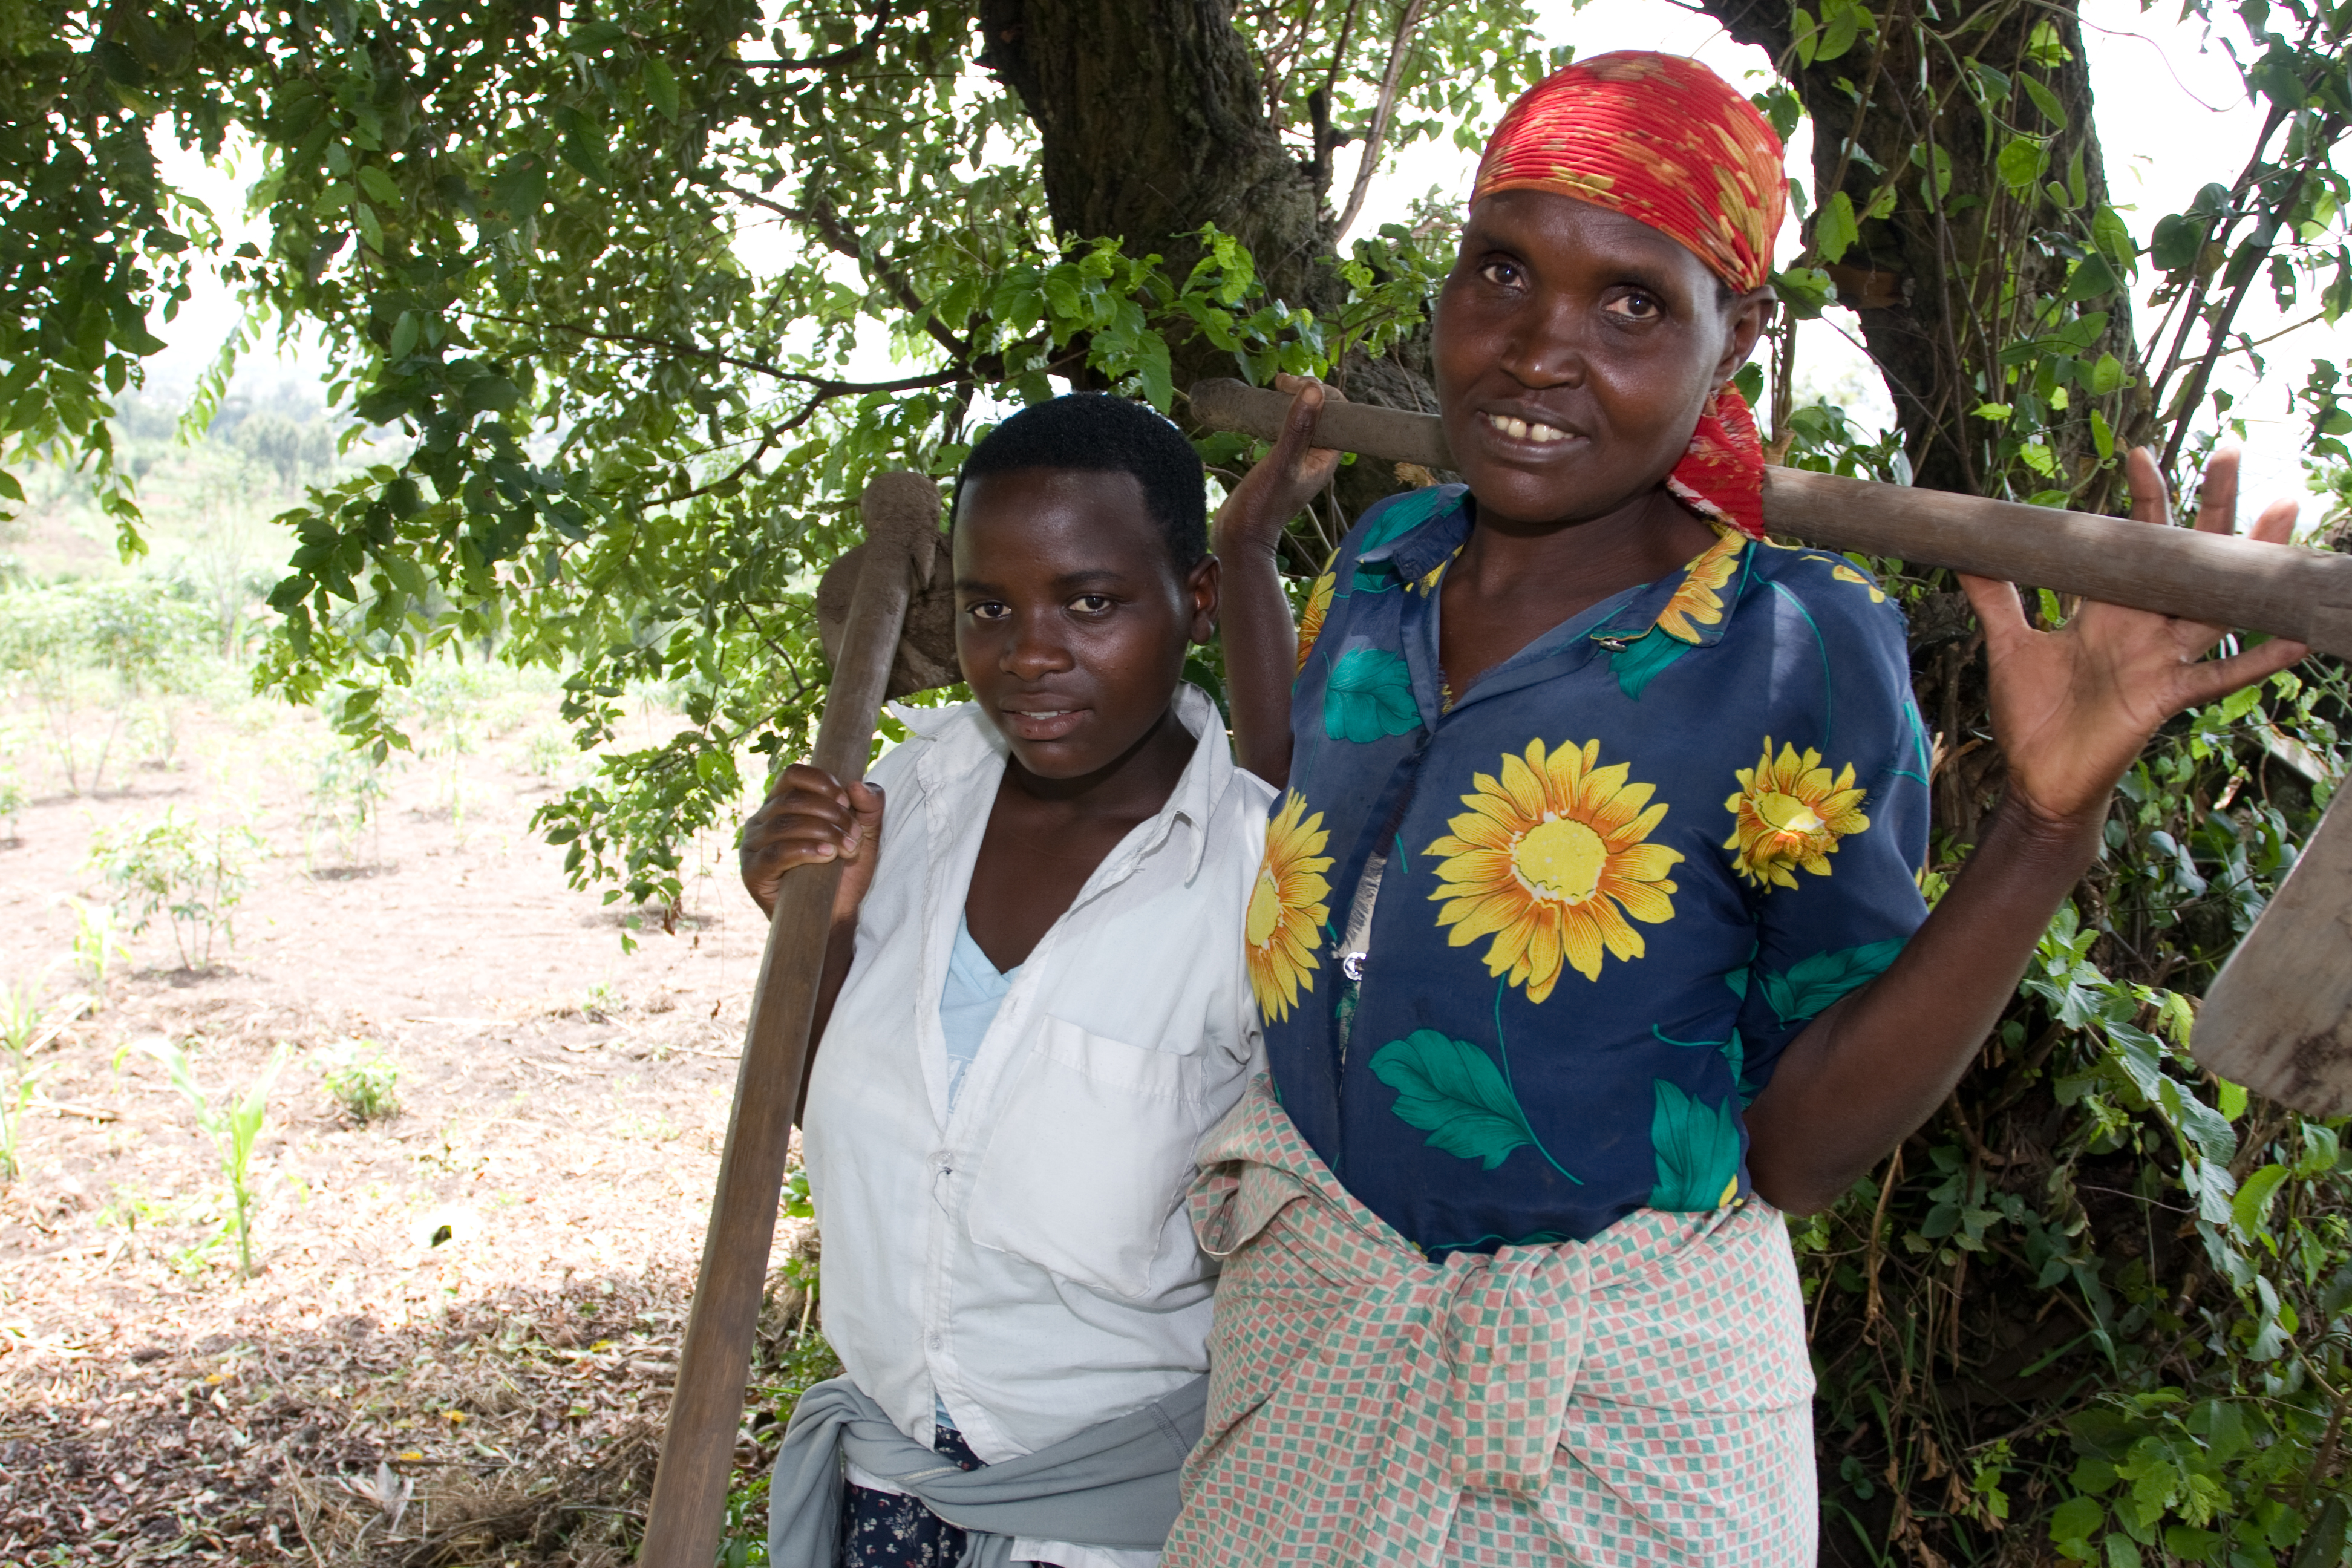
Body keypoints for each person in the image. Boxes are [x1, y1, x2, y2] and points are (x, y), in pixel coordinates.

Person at [1171, 51, 2306, 1566]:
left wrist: (2042, 831)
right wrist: (1248, 567)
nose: (1537, 352)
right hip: (1313, 1335)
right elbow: (1317, 829)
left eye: (1632, 301)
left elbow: (1800, 1153)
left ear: (1737, 336)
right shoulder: (1388, 560)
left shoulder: (1794, 646)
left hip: (1623, 1417)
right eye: (1501, 271)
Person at [740, 393, 1274, 1568]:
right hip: (883, 1494)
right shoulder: (907, 804)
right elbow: (839, 1119)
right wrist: (817, 932)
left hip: (1126, 1529)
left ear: (1193, 602)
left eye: (1090, 602)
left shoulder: (1263, 883)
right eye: (992, 606)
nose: (1030, 653)